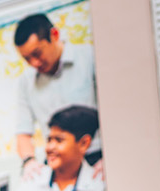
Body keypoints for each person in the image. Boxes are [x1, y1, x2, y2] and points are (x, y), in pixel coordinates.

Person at [13, 13, 101, 179]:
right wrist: (29, 161)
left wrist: (111, 158)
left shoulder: (90, 58)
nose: (34, 63)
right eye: (26, 59)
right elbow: (23, 132)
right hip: (57, 166)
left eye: (37, 54)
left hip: (97, 158)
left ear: (54, 35)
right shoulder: (26, 81)